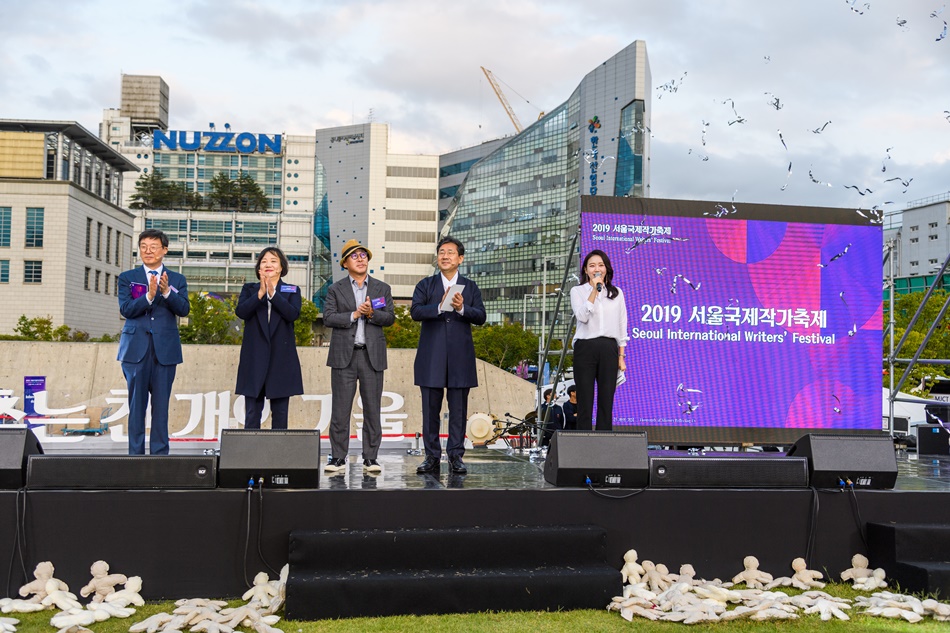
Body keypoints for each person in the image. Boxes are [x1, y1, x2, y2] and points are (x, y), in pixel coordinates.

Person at [411, 236, 486, 475]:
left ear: (460, 258)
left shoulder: (470, 287)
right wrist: (439, 306)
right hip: (431, 356)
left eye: (450, 252)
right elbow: (415, 311)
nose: (445, 256)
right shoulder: (426, 285)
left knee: (458, 411)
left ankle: (456, 456)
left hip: (460, 357)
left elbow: (481, 316)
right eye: (441, 252)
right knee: (430, 412)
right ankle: (431, 457)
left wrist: (462, 308)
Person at [322, 239, 395, 474]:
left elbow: (390, 318)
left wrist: (372, 313)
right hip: (344, 355)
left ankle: (371, 458)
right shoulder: (336, 289)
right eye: (355, 256)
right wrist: (354, 314)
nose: (361, 258)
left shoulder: (381, 289)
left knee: (372, 409)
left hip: (372, 356)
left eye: (363, 255)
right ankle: (338, 458)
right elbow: (329, 318)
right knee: (340, 409)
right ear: (345, 263)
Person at [116, 229, 190, 455]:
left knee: (161, 408)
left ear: (164, 250)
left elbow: (184, 309)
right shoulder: (128, 278)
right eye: (144, 246)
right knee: (136, 407)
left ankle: (160, 457)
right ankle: (135, 457)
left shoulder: (177, 279)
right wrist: (148, 296)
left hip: (165, 351)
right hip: (135, 351)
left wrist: (167, 292)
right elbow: (126, 310)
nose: (148, 251)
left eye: (153, 246)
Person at [234, 247, 303, 430]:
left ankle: (278, 456)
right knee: (252, 412)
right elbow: (241, 312)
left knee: (280, 413)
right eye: (264, 261)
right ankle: (250, 454)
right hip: (255, 357)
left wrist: (273, 294)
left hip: (281, 359)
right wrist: (260, 294)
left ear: (281, 267)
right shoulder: (250, 289)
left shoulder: (292, 290)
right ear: (258, 268)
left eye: (273, 261)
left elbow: (292, 314)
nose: (268, 264)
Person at [570, 249, 628, 431]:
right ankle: (583, 445)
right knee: (585, 400)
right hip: (585, 347)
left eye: (600, 265)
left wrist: (621, 356)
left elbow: (621, 326)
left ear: (606, 269)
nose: (597, 268)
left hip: (609, 348)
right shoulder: (578, 291)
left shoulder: (617, 293)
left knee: (606, 400)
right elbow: (582, 317)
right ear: (586, 270)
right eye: (592, 265)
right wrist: (594, 291)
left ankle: (604, 444)